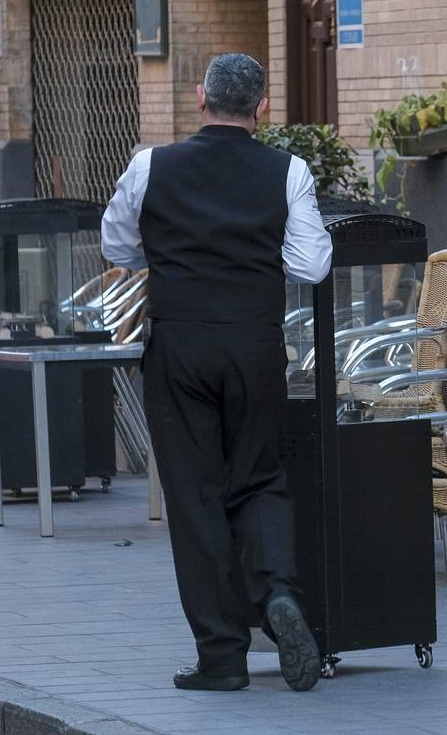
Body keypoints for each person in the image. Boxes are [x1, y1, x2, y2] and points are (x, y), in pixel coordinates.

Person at [101, 53, 332, 692]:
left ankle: (222, 657)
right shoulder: (288, 170)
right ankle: (279, 593)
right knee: (259, 478)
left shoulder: (152, 165)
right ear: (262, 107)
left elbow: (116, 246)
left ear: (200, 98)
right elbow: (311, 267)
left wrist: (176, 247)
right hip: (255, 347)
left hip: (179, 346)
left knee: (194, 494)